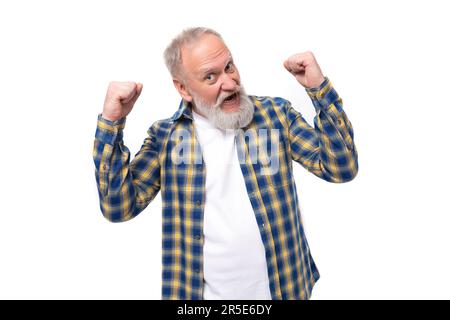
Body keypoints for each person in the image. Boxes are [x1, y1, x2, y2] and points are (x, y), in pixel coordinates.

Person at [93, 27, 358, 300]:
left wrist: (318, 89)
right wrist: (111, 122)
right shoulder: (165, 138)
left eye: (229, 66)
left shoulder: (276, 116)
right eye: (211, 77)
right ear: (183, 88)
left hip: (284, 290)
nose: (230, 83)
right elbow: (118, 208)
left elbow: (341, 168)